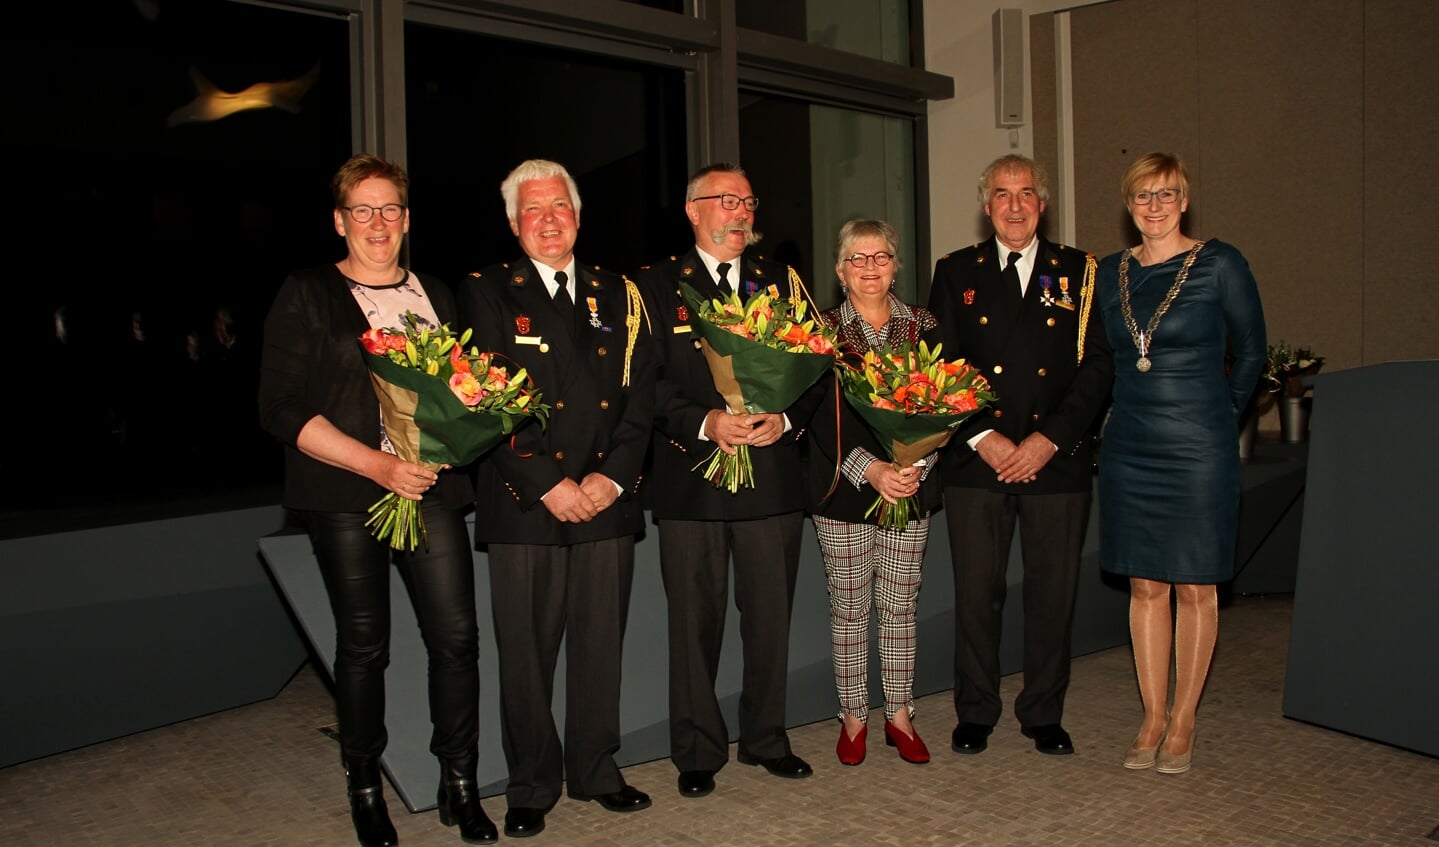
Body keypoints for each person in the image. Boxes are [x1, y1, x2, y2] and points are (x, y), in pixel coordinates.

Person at [258, 154, 495, 847]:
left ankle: (459, 781)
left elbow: (458, 394)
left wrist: (453, 440)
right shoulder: (305, 291)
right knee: (364, 646)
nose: (378, 223)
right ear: (339, 221)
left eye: (390, 208)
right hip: (343, 492)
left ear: (407, 219)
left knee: (456, 640)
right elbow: (279, 408)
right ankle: (365, 786)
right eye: (362, 210)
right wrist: (376, 465)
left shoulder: (437, 294)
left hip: (432, 490)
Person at [458, 159, 655, 838]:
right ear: (514, 222)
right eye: (533, 210)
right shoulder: (485, 290)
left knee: (601, 646)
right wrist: (548, 482)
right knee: (526, 654)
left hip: (605, 498)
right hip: (525, 501)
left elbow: (641, 398)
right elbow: (482, 396)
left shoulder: (618, 292)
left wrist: (612, 478)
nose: (548, 220)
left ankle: (597, 768)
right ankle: (530, 783)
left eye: (559, 207)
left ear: (577, 214)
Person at [635, 162, 820, 799]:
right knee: (694, 625)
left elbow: (817, 365)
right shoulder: (656, 285)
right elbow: (644, 383)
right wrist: (706, 421)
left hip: (770, 478)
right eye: (726, 201)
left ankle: (767, 738)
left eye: (748, 200)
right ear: (693, 211)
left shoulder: (782, 281)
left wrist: (788, 417)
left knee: (770, 620)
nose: (740, 212)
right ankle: (695, 749)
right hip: (692, 481)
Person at [927, 154, 1113, 758]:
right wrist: (987, 438)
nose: (1014, 205)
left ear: (1043, 203)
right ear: (987, 206)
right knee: (978, 593)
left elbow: (1098, 366)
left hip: (1054, 460)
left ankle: (1043, 711)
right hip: (978, 461)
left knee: (1052, 594)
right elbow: (941, 366)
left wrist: (1046, 440)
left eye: (1026, 193)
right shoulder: (955, 271)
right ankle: (975, 709)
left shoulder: (1081, 272)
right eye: (1002, 194)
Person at [1095, 152, 1265, 774]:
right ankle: (1151, 715)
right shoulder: (1110, 272)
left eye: (1167, 194)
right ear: (1128, 204)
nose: (1156, 205)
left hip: (1199, 445)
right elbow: (1101, 362)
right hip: (1131, 443)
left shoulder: (1221, 263)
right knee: (1145, 583)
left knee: (1195, 584)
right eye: (1143, 195)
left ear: (1185, 200)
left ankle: (1185, 719)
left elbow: (1251, 352)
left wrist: (1221, 415)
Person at [806, 219, 941, 766]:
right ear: (840, 271)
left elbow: (945, 401)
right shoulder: (821, 330)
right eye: (857, 260)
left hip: (909, 486)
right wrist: (873, 469)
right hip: (844, 487)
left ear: (896, 265)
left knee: (901, 607)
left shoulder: (924, 325)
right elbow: (813, 415)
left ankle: (900, 715)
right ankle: (855, 716)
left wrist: (916, 464)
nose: (869, 268)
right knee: (849, 610)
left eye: (880, 257)